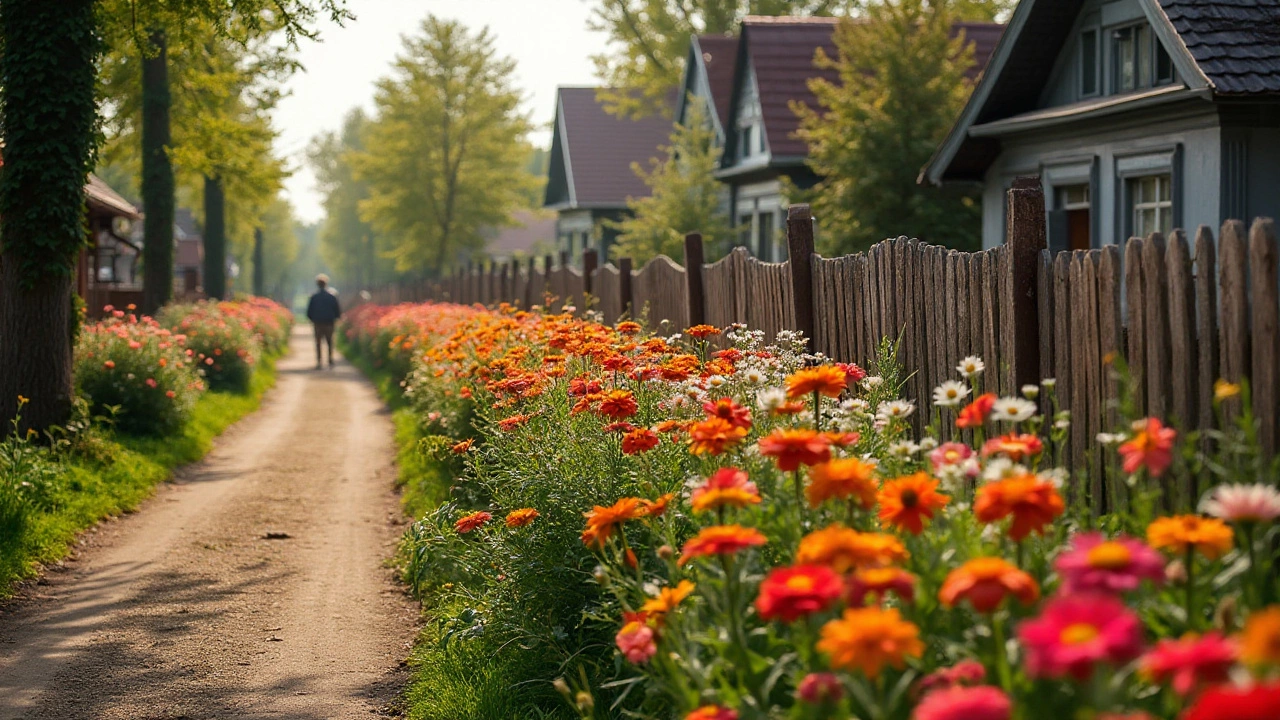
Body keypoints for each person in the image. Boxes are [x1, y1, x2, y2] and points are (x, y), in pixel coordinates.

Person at [306, 274, 341, 369]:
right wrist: (336, 318)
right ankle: (330, 359)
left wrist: (312, 319)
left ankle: (319, 361)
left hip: (317, 323)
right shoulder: (332, 297)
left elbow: (309, 311)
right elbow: (337, 310)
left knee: (318, 342)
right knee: (330, 341)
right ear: (326, 284)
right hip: (329, 322)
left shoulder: (314, 297)